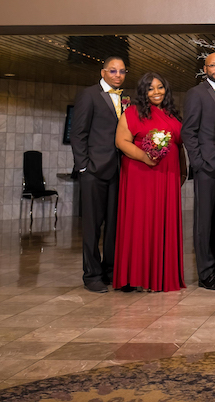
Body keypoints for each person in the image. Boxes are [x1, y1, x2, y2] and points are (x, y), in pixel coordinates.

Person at [113, 72, 186, 292]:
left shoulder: (173, 114)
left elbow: (180, 145)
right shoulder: (132, 113)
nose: (156, 92)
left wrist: (183, 171)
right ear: (143, 91)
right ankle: (135, 276)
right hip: (140, 174)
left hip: (168, 175)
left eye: (160, 87)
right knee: (139, 222)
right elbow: (121, 141)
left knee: (163, 221)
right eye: (151, 88)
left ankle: (162, 276)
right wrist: (145, 157)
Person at [70, 56, 127, 294]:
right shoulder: (88, 95)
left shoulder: (124, 98)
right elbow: (78, 133)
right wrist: (84, 167)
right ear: (103, 72)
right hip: (93, 171)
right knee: (93, 226)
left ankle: (109, 271)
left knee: (114, 225)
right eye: (113, 71)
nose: (118, 75)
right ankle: (91, 275)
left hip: (117, 170)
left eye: (122, 71)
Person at [182, 52, 215, 292]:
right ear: (205, 68)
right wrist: (198, 163)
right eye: (213, 65)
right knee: (204, 222)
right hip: (207, 167)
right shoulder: (196, 94)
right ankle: (205, 274)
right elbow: (188, 132)